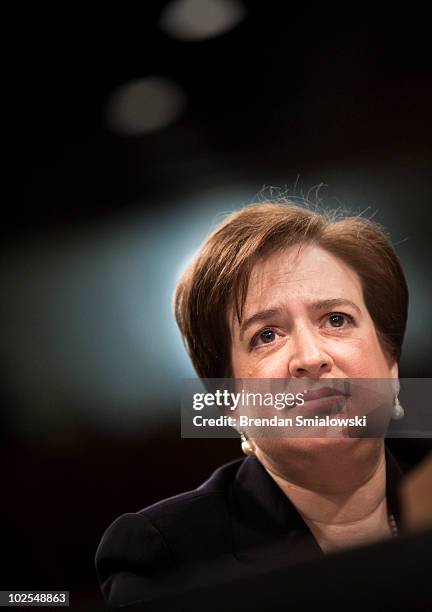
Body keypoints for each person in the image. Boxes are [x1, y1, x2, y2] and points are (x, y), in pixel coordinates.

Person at [95, 201, 411, 608]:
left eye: (336, 319)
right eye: (266, 335)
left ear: (391, 366)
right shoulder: (168, 557)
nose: (311, 357)